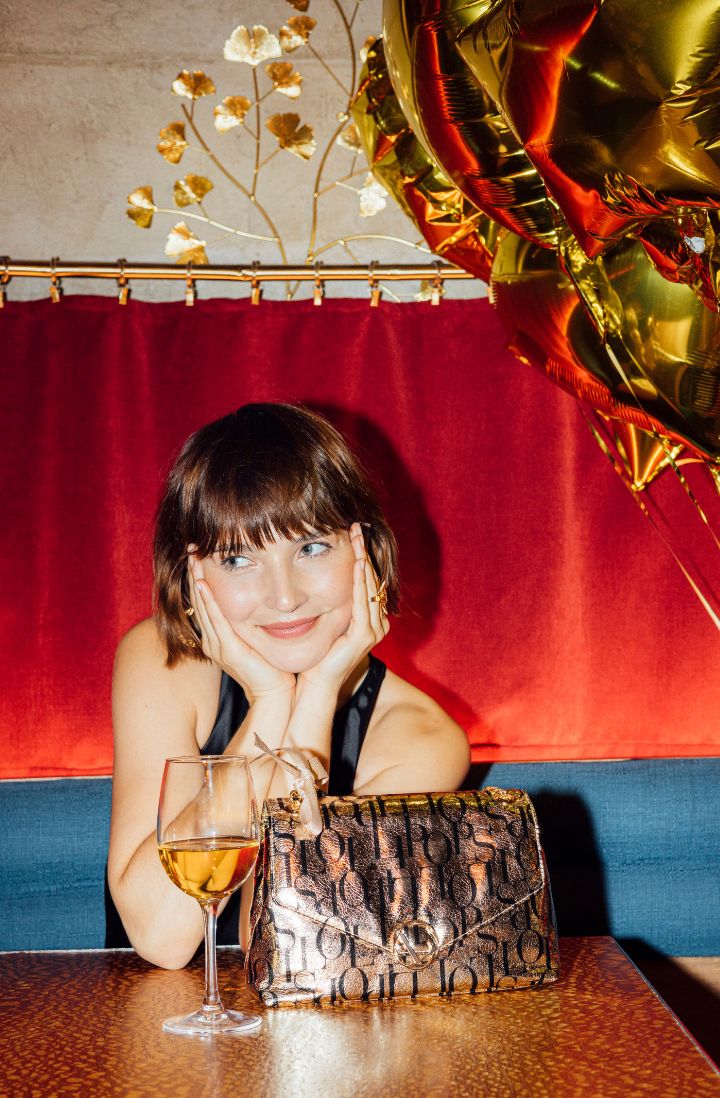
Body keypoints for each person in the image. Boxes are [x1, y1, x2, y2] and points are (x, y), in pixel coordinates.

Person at [107, 403, 470, 968]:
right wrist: (269, 702)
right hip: (145, 1017)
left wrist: (313, 697)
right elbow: (162, 937)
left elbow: (281, 945)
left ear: (365, 551)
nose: (284, 597)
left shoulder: (423, 741)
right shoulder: (160, 660)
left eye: (311, 548)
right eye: (238, 559)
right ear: (192, 574)